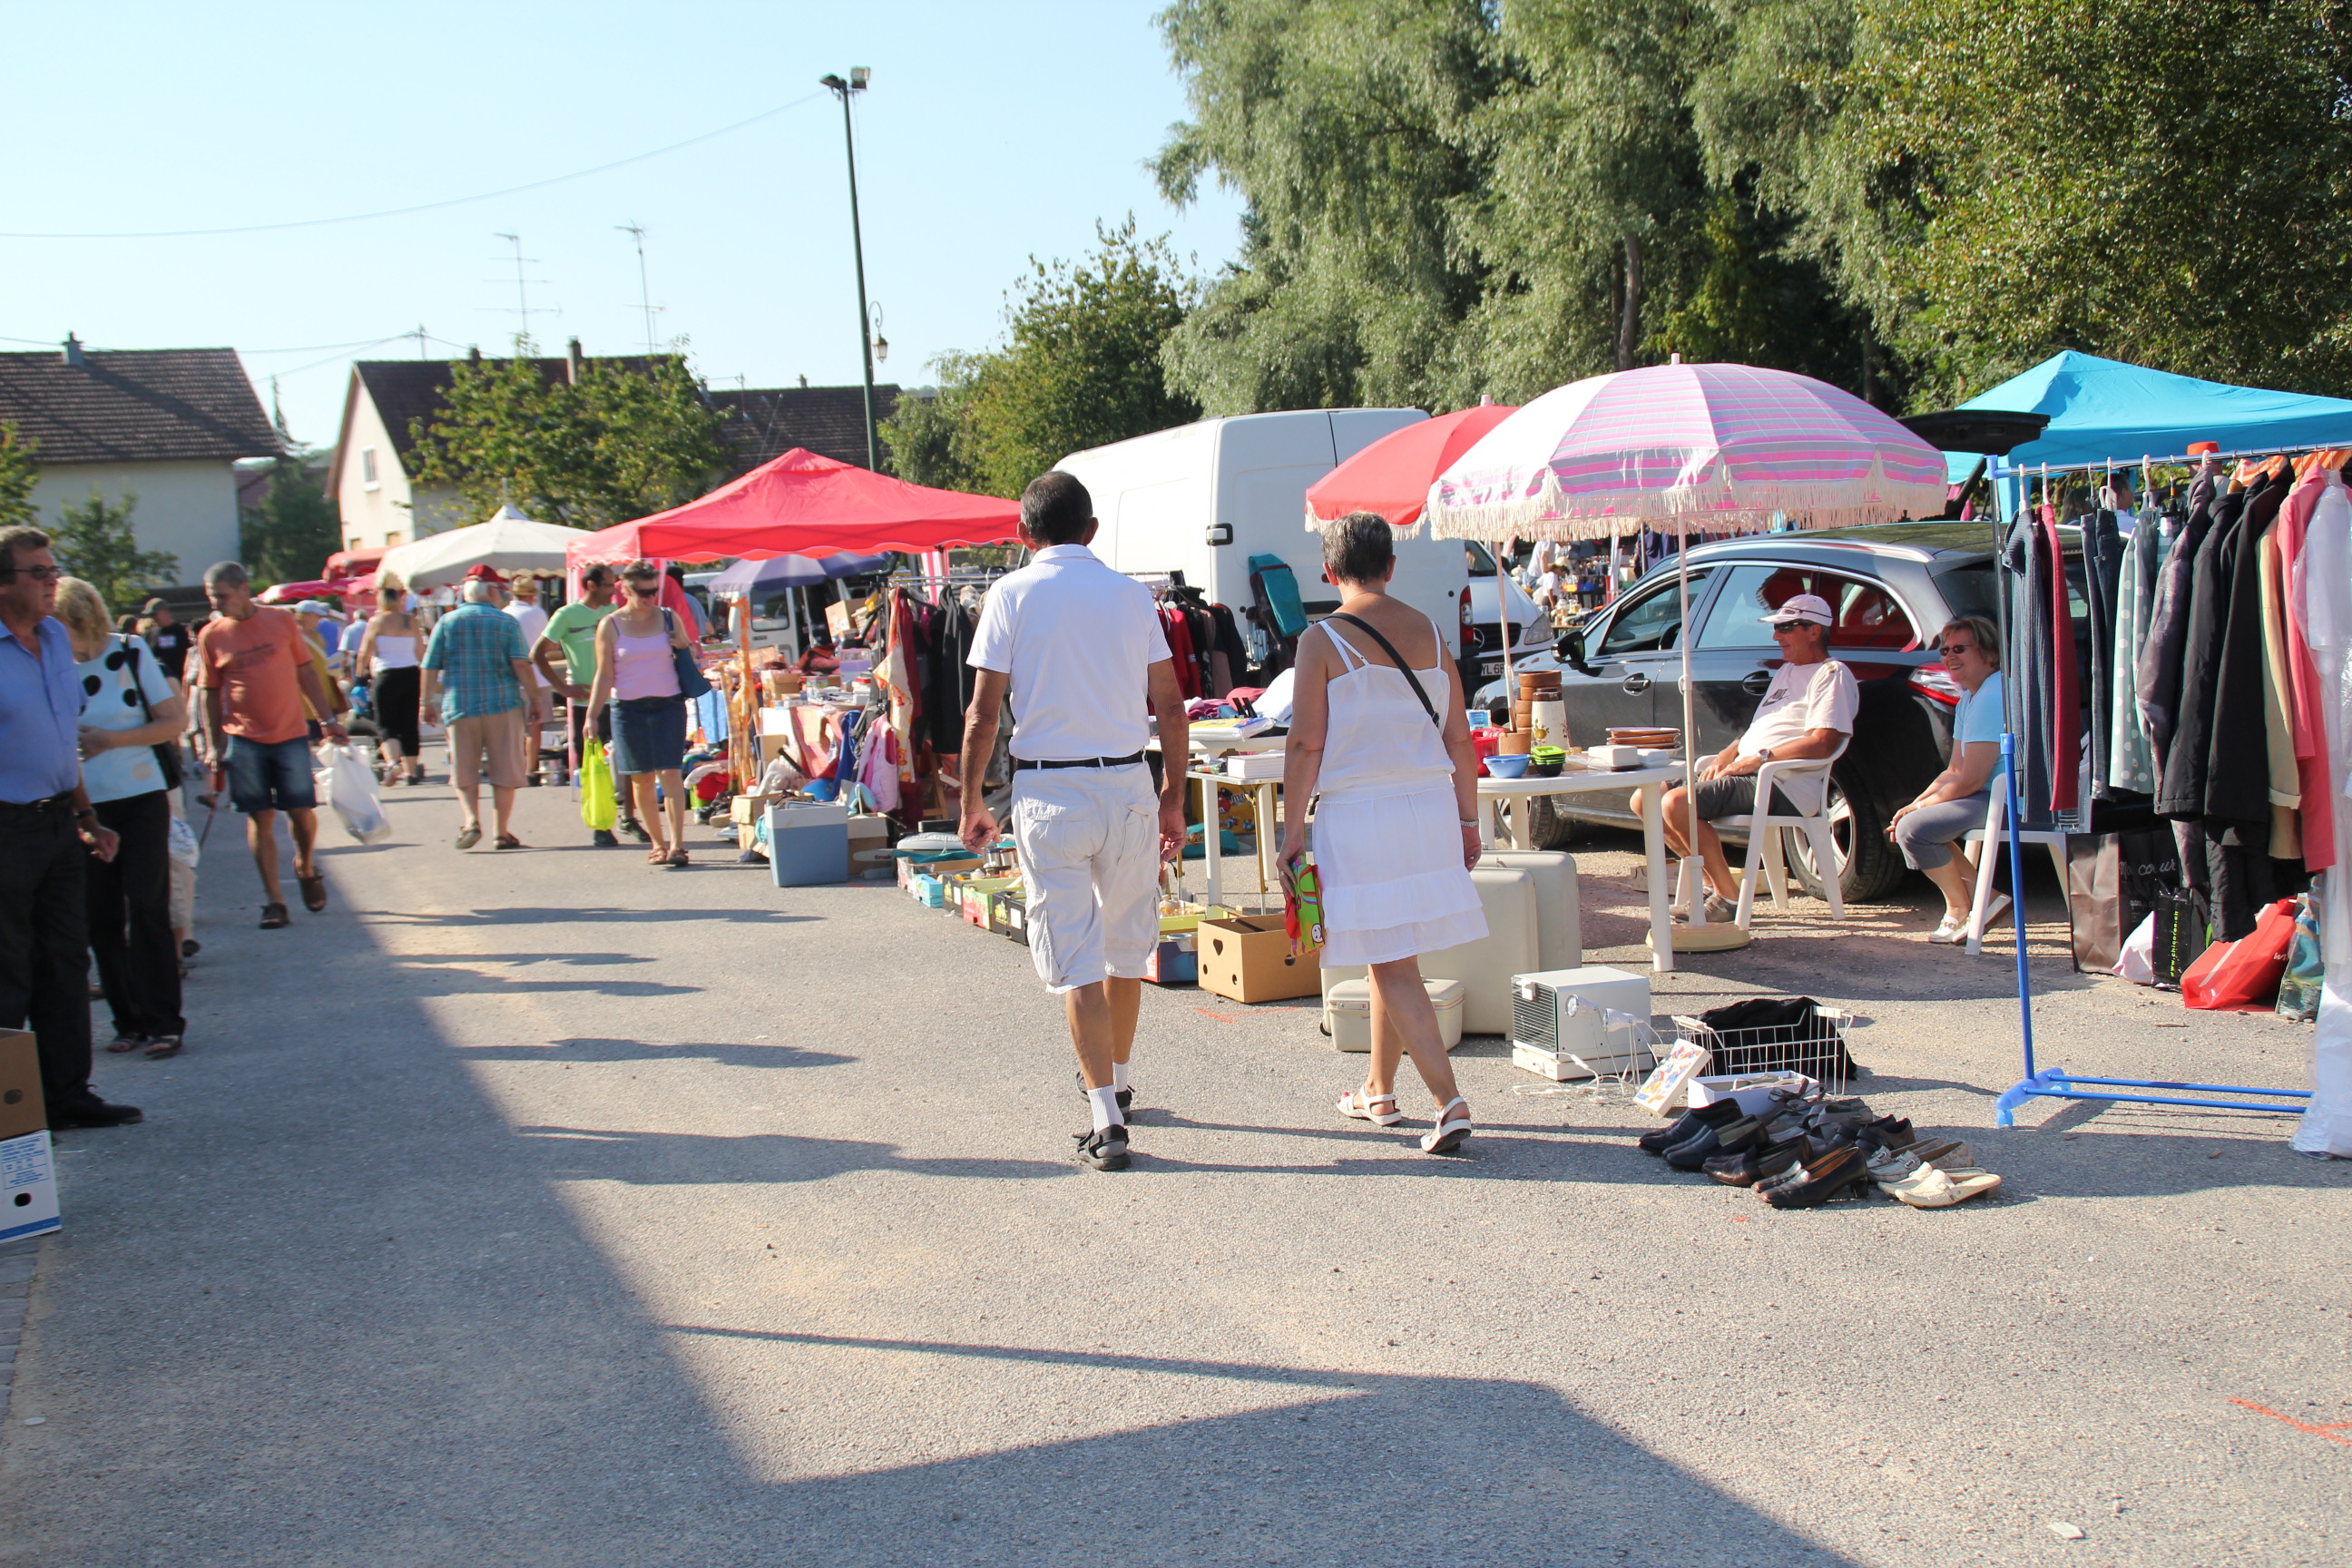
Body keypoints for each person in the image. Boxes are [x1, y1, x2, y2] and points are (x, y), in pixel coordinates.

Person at [957, 472, 1190, 1173]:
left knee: (1074, 958)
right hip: (1125, 783)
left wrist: (971, 800)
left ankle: (1105, 1113)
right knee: (1125, 949)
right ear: (1092, 530)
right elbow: (1171, 705)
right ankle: (1115, 1080)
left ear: (1024, 535)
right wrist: (1174, 795)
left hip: (1049, 791)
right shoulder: (1129, 595)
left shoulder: (1010, 594)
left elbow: (982, 714)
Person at [1280, 513, 1485, 1155]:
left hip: (1359, 812)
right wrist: (1469, 819)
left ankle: (1448, 1101)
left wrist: (1291, 831)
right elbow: (1459, 735)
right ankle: (1378, 1087)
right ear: (1391, 565)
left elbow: (1306, 741)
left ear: (1327, 571)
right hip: (1426, 807)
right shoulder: (1427, 629)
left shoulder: (1322, 639)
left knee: (1391, 961)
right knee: (1389, 952)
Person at [0, 525, 142, 1129]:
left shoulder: (55, 637)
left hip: (59, 820)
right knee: (8, 969)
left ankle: (67, 1096)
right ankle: (14, 1114)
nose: (51, 581)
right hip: (5, 828)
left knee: (65, 961)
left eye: (52, 569)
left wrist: (87, 815)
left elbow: (63, 740)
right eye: (37, 572)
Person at [1660, 592, 1857, 923]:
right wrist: (1730, 751)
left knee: (1675, 803)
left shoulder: (1831, 673)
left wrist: (1761, 757)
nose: (1776, 636)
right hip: (1751, 772)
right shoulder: (1786, 671)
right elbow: (1763, 727)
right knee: (1647, 799)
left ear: (1814, 631)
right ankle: (1713, 888)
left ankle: (1728, 899)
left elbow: (1823, 742)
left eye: (1786, 627)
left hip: (1782, 781)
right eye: (1777, 628)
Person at [55, 578, 189, 1060]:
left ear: (80, 619)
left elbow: (175, 722)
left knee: (147, 908)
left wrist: (108, 740)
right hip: (84, 803)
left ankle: (165, 1022)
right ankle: (127, 1020)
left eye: (57, 624)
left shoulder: (130, 652)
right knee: (100, 916)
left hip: (140, 796)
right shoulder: (49, 666)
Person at [192, 561, 348, 929]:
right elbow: (209, 693)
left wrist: (327, 720)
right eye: (212, 597)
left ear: (244, 589)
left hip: (290, 733)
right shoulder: (211, 635)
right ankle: (274, 901)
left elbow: (305, 671)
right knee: (259, 817)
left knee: (300, 812)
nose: (216, 604)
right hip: (244, 739)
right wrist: (213, 744)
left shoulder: (280, 621)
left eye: (222, 596)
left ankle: (305, 867)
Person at [1888, 615, 2010, 943]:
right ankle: (1989, 899)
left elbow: (1971, 779)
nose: (1949, 657)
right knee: (1914, 821)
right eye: (1944, 651)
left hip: (2010, 798)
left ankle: (1961, 906)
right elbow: (1954, 770)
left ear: (1988, 652)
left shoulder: (1992, 696)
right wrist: (1917, 804)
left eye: (1960, 649)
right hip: (1985, 794)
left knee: (1915, 829)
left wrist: (1917, 812)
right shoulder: (1971, 696)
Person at [586, 560, 695, 867]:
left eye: (654, 591)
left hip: (668, 704)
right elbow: (603, 675)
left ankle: (677, 844)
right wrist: (592, 716)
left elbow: (688, 651)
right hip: (628, 708)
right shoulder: (611, 624)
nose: (650, 598)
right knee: (641, 779)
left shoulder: (669, 617)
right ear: (626, 589)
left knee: (671, 772)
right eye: (643, 592)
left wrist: (683, 644)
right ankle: (657, 844)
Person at [420, 577, 537, 851]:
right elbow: (520, 664)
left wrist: (425, 701)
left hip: (460, 704)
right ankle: (502, 832)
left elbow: (430, 665)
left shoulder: (447, 622)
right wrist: (534, 698)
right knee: (505, 769)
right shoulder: (506, 622)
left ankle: (471, 820)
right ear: (491, 593)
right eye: (498, 590)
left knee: (464, 768)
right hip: (502, 703)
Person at [534, 564, 635, 848]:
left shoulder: (614, 612)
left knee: (627, 759)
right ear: (590, 585)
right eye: (607, 586)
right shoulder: (567, 615)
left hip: (619, 696)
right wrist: (561, 687)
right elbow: (537, 653)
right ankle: (600, 824)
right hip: (585, 701)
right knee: (593, 765)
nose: (613, 591)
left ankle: (628, 817)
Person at [356, 583, 426, 785]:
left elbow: (364, 652)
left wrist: (359, 677)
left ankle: (393, 763)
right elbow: (420, 650)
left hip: (386, 674)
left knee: (387, 723)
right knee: (409, 723)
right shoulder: (410, 621)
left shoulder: (376, 621)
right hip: (411, 674)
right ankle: (411, 772)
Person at [505, 573, 554, 783]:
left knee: (514, 728)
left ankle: (514, 767)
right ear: (531, 596)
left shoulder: (504, 614)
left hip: (510, 677)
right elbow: (549, 642)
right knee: (535, 727)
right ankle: (530, 769)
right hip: (537, 676)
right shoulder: (537, 613)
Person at [291, 601, 348, 740]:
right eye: (316, 616)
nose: (319, 619)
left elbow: (321, 662)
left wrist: (339, 657)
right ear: (305, 616)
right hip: (304, 692)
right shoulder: (293, 636)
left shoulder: (317, 635)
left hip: (323, 686)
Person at [142, 597, 193, 685]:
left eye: (155, 614)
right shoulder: (149, 634)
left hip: (181, 680)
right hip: (159, 682)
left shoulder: (183, 631)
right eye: (150, 615)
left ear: (165, 611)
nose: (153, 618)